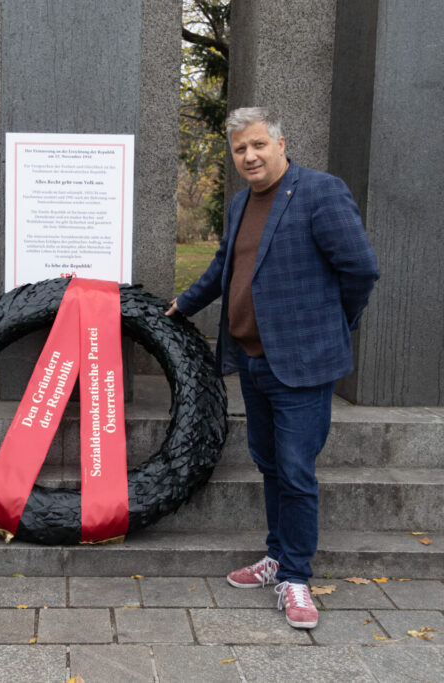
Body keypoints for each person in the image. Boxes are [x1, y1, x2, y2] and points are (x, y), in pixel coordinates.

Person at [166, 107, 378, 629]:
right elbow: (225, 266)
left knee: (297, 471)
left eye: (258, 144)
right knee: (269, 464)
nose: (250, 156)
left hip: (302, 365)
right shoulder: (241, 203)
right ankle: (277, 556)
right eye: (240, 149)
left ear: (281, 144)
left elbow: (361, 269)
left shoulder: (320, 192)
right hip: (252, 361)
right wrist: (184, 305)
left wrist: (333, 323)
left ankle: (297, 578)